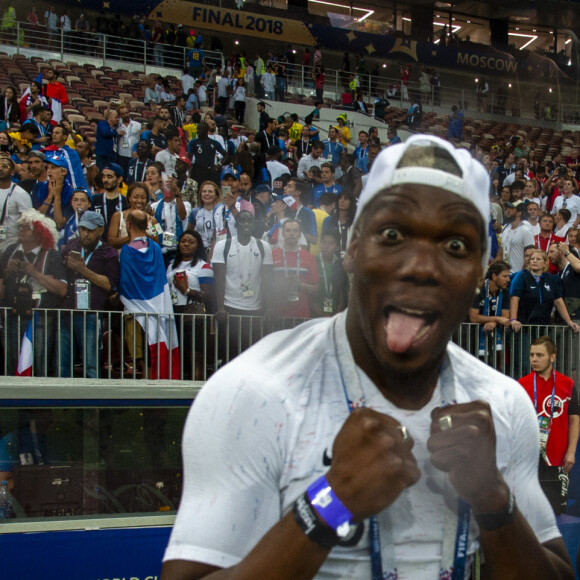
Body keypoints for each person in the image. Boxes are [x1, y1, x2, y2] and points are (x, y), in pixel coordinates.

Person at [163, 134, 575, 580]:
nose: (420, 266)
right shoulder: (254, 393)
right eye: (393, 234)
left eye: (455, 245)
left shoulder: (503, 403)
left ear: (479, 273)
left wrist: (494, 499)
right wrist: (329, 505)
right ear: (353, 249)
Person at [0, 209, 67, 377]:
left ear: (39, 233)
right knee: (10, 361)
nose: (21, 229)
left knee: (39, 362)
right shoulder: (10, 251)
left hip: (40, 319)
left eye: (27, 227)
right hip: (11, 315)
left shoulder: (52, 255)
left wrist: (35, 273)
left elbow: (62, 289)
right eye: (21, 226)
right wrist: (7, 272)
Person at [518, 336, 580, 514]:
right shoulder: (521, 385)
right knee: (526, 512)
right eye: (531, 355)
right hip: (527, 458)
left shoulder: (567, 385)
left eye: (539, 355)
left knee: (556, 513)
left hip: (558, 457)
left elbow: (574, 419)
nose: (534, 360)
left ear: (553, 357)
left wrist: (571, 451)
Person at [60, 211, 120, 378]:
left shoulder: (108, 252)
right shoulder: (72, 245)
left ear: (101, 230)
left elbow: (109, 284)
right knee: (63, 362)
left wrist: (82, 269)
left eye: (90, 230)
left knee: (91, 363)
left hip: (91, 313)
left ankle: (93, 403)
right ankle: (62, 402)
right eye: (82, 229)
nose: (85, 233)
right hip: (68, 310)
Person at [212, 211, 273, 356]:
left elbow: (267, 280)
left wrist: (268, 307)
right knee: (230, 354)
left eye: (249, 221)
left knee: (252, 355)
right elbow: (219, 279)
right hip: (229, 309)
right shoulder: (223, 245)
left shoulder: (263, 246)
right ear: (236, 224)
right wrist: (220, 307)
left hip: (255, 309)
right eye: (242, 220)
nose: (246, 223)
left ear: (253, 224)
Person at [167, 230, 215, 380]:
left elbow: (209, 296)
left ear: (198, 246)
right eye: (183, 241)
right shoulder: (170, 266)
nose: (186, 244)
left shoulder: (204, 267)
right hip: (174, 315)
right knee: (178, 359)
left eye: (191, 242)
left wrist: (187, 290)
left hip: (195, 318)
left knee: (196, 359)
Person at [469, 260, 511, 358]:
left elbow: (505, 317)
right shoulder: (479, 289)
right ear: (494, 276)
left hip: (491, 333)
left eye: (508, 276)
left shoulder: (505, 292)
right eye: (504, 276)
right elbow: (474, 318)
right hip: (470, 334)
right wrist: (496, 319)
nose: (508, 279)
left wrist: (494, 323)